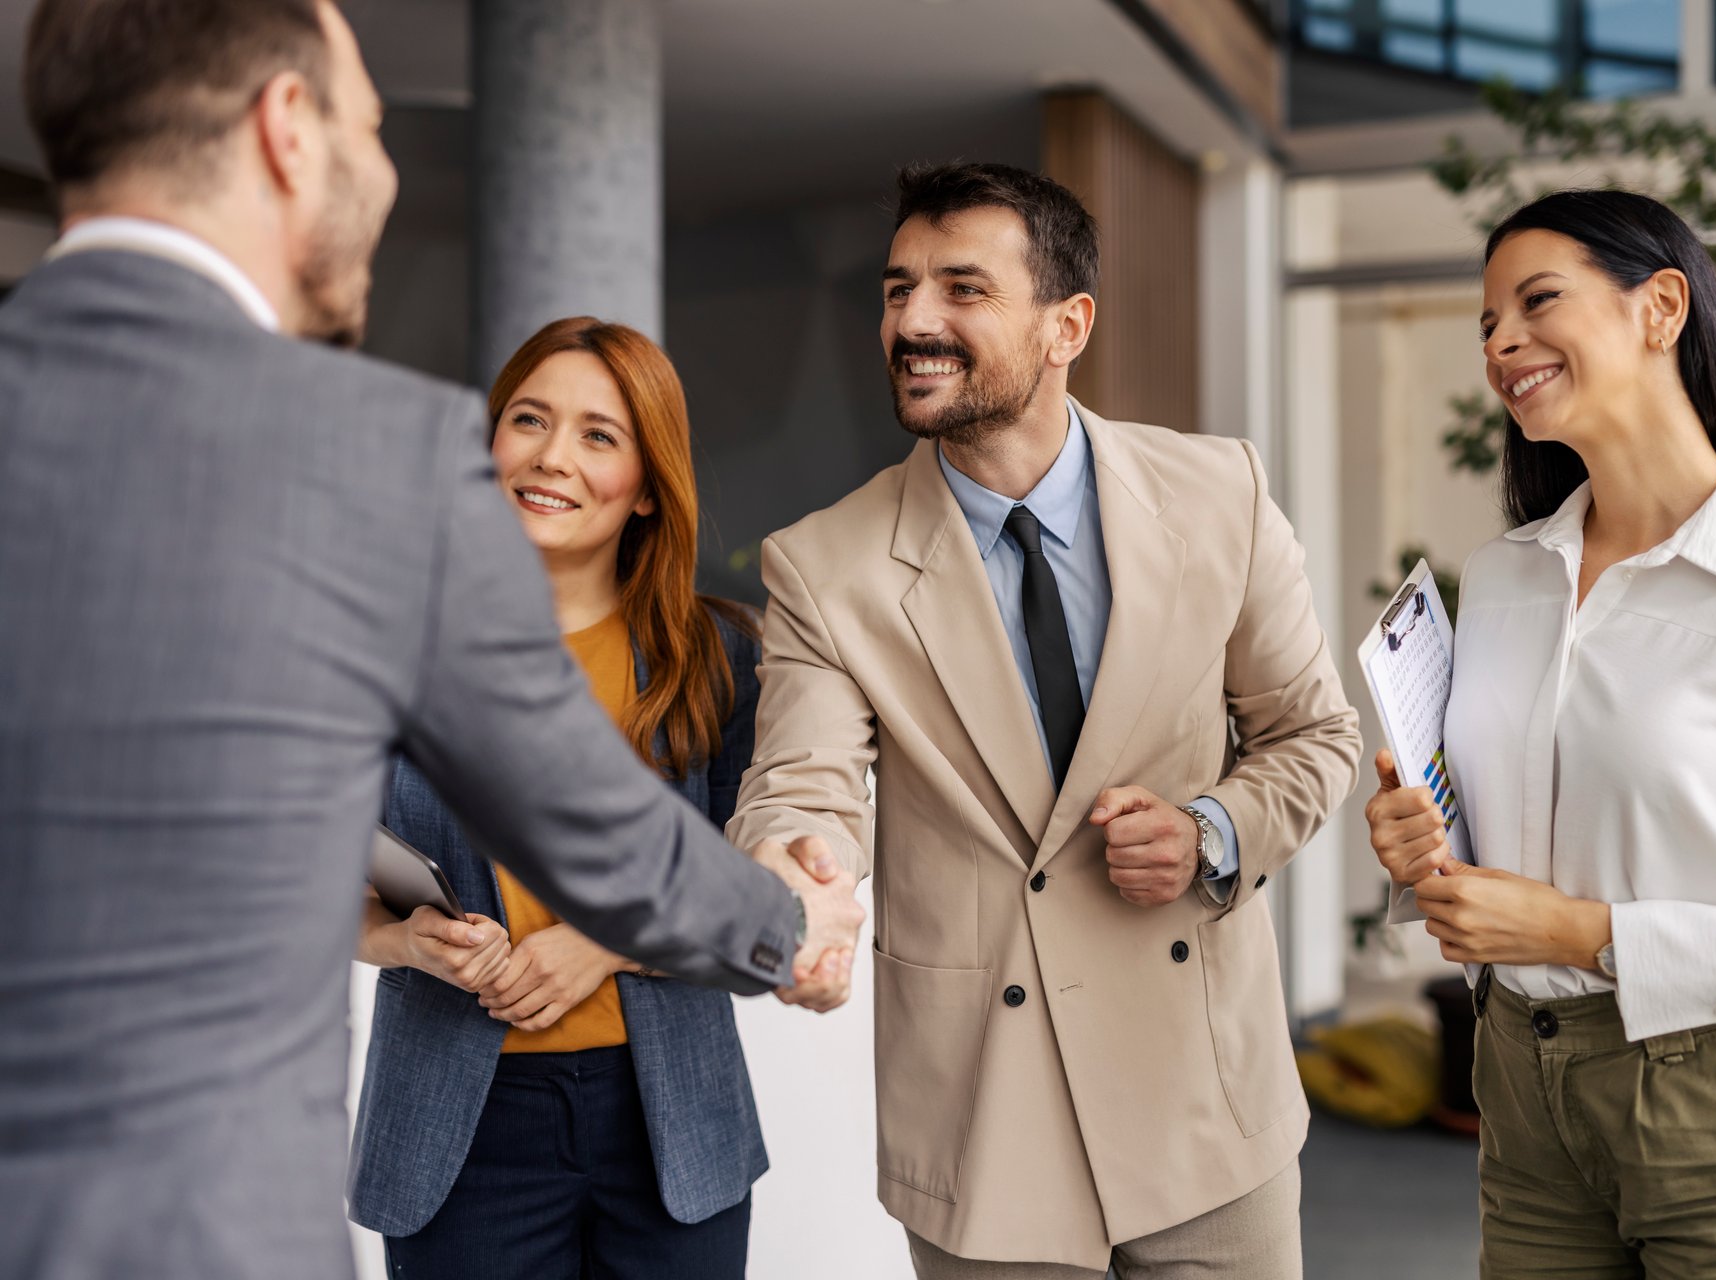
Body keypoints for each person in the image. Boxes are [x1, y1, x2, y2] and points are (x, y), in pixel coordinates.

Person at [0, 4, 861, 1278]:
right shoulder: (375, 454)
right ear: (288, 131)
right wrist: (792, 923)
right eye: (371, 124)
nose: (387, 169)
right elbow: (600, 833)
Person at [728, 161, 1362, 1278]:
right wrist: (799, 879)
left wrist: (1213, 829)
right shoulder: (824, 563)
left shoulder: (1223, 493)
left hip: (1205, 1103)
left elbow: (1314, 735)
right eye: (896, 289)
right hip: (987, 1120)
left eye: (962, 288)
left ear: (1067, 324)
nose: (914, 319)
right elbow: (803, 779)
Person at [1365, 188, 1716, 1278]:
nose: (1502, 342)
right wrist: (1425, 850)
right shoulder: (1509, 575)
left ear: (1661, 306)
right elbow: (1509, 842)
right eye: (1486, 324)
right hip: (1522, 1094)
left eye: (1536, 301)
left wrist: (1578, 929)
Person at [348, 319, 766, 1278]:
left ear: (651, 487)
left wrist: (606, 940)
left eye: (598, 435)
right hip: (459, 1132)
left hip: (672, 1127)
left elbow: (764, 896)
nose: (549, 457)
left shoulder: (719, 658)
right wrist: (405, 942)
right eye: (528, 420)